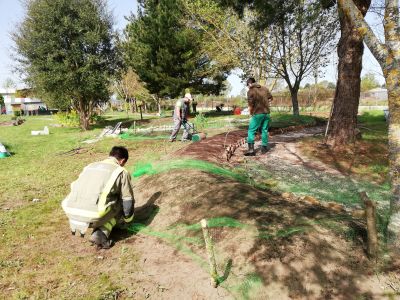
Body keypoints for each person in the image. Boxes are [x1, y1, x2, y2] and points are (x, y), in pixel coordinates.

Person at [62, 146, 135, 249]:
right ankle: (101, 234)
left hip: (71, 211)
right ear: (122, 161)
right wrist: (128, 220)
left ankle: (98, 229)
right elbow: (127, 200)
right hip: (93, 215)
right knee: (120, 201)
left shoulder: (90, 166)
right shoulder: (121, 171)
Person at [245, 77, 273, 156]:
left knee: (251, 130)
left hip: (257, 113)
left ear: (249, 84)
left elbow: (250, 104)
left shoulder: (251, 91)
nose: (248, 87)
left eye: (247, 85)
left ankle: (251, 150)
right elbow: (271, 98)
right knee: (264, 130)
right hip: (267, 113)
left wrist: (251, 113)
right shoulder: (264, 89)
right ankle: (264, 148)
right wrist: (267, 105)